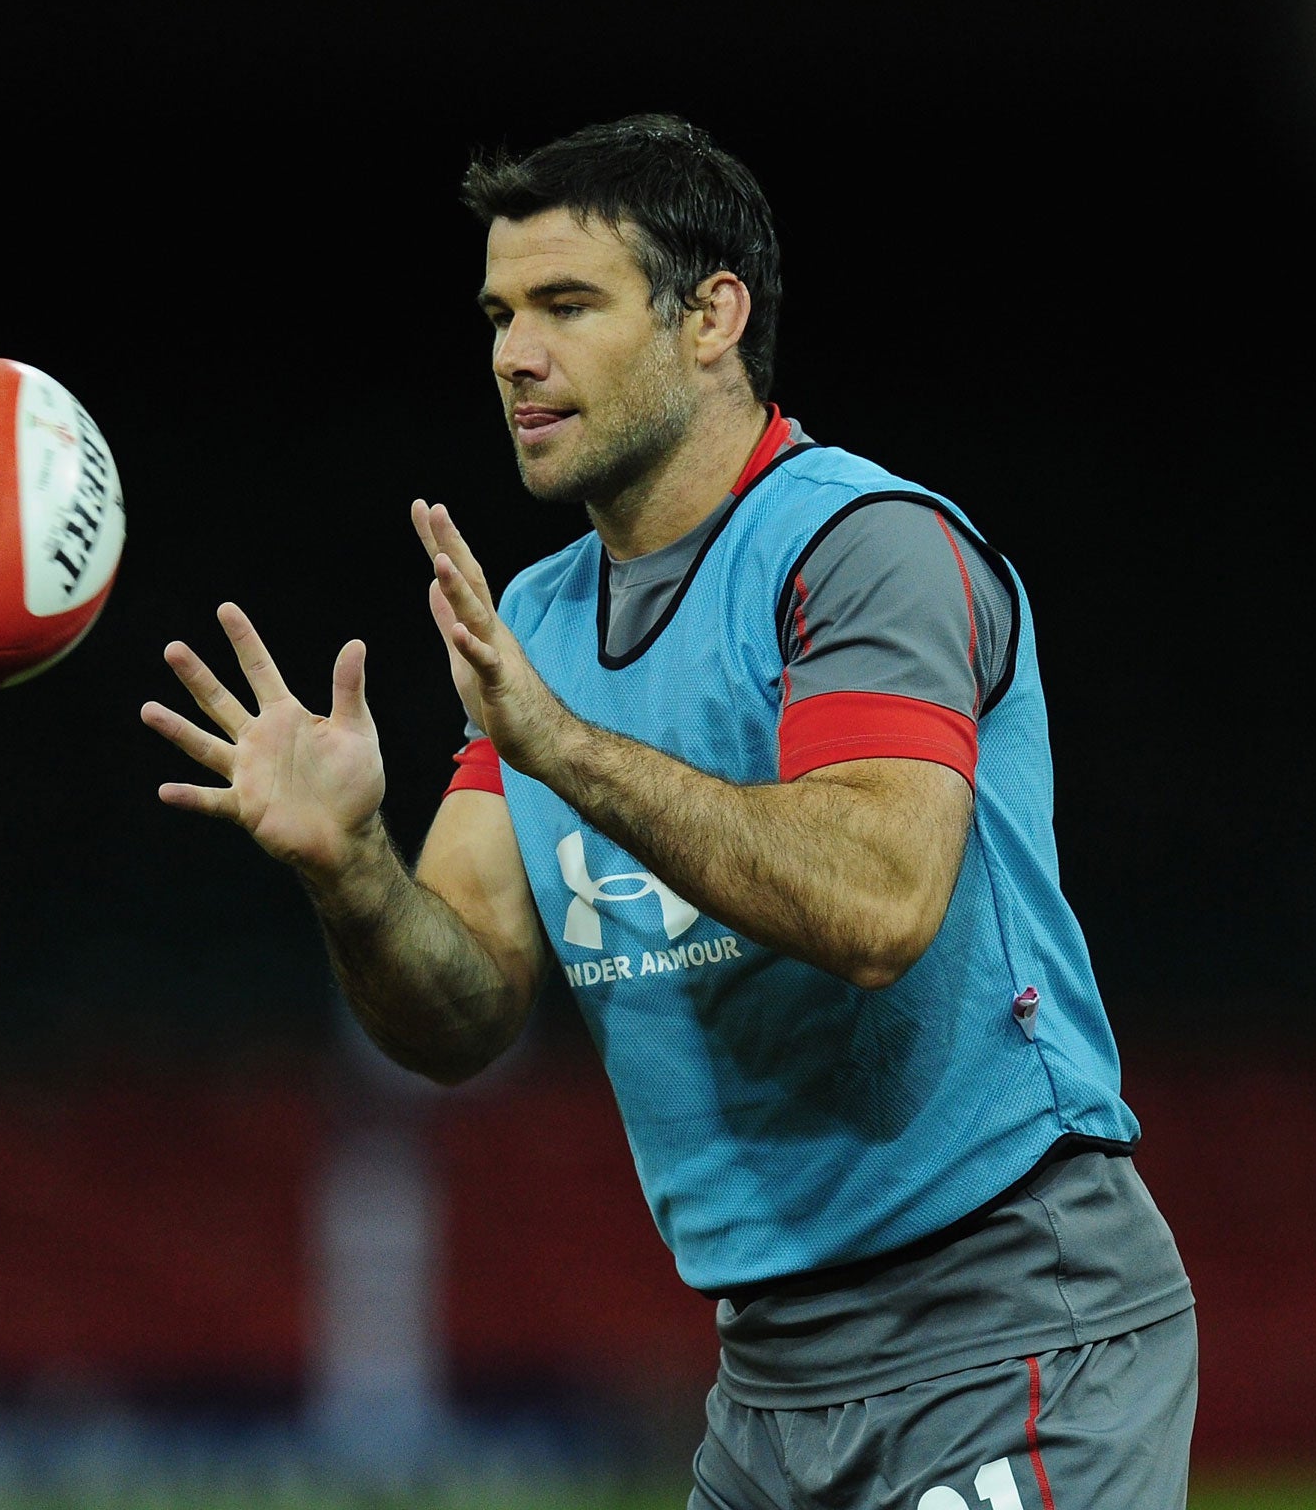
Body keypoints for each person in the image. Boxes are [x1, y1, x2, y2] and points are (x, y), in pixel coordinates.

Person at [141, 113, 1196, 1508]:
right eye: (501, 312)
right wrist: (348, 867)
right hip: (768, 1383)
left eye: (567, 305)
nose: (515, 352)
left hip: (1004, 1323)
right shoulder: (538, 623)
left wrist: (564, 750)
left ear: (714, 317)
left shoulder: (863, 550)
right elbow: (461, 1011)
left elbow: (877, 905)